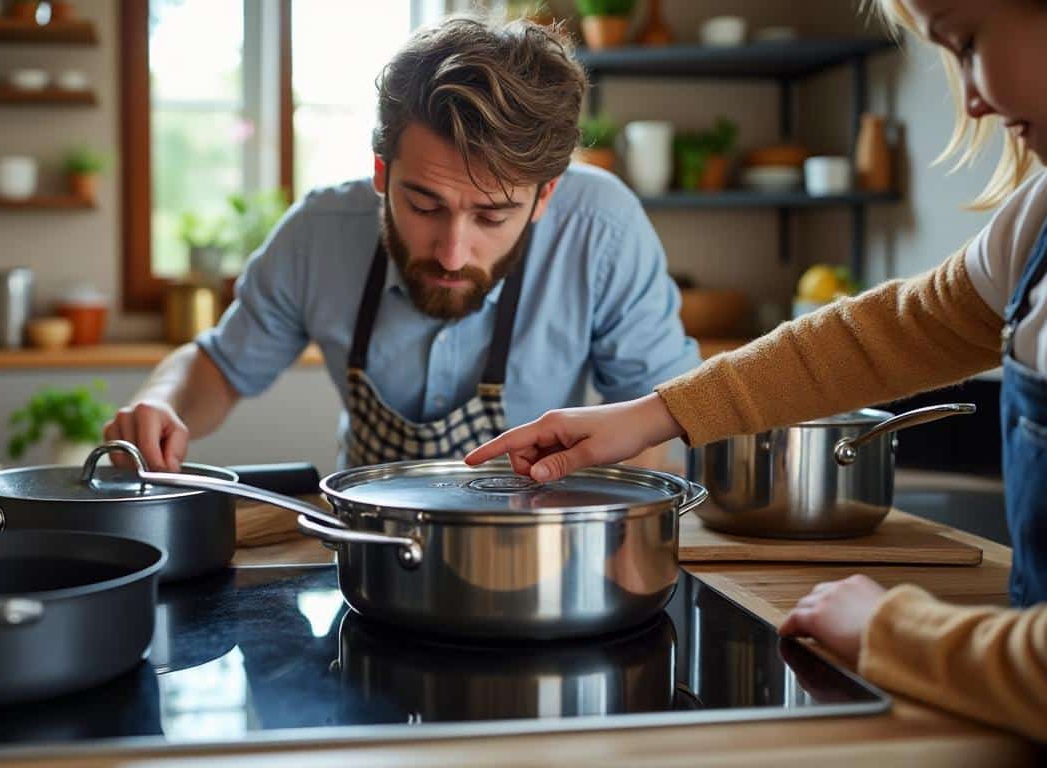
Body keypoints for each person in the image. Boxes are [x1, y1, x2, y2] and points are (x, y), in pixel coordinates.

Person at [466, 0, 1047, 740]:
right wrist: (645, 416)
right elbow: (879, 336)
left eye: (966, 43)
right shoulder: (1036, 224)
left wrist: (894, 630)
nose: (971, 98)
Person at [105, 17, 699, 471]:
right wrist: (162, 404)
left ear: (544, 196)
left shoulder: (601, 228)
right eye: (424, 205)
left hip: (541, 557)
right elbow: (221, 365)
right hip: (369, 560)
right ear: (382, 172)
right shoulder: (319, 232)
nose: (451, 252)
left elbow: (655, 421)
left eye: (492, 216)